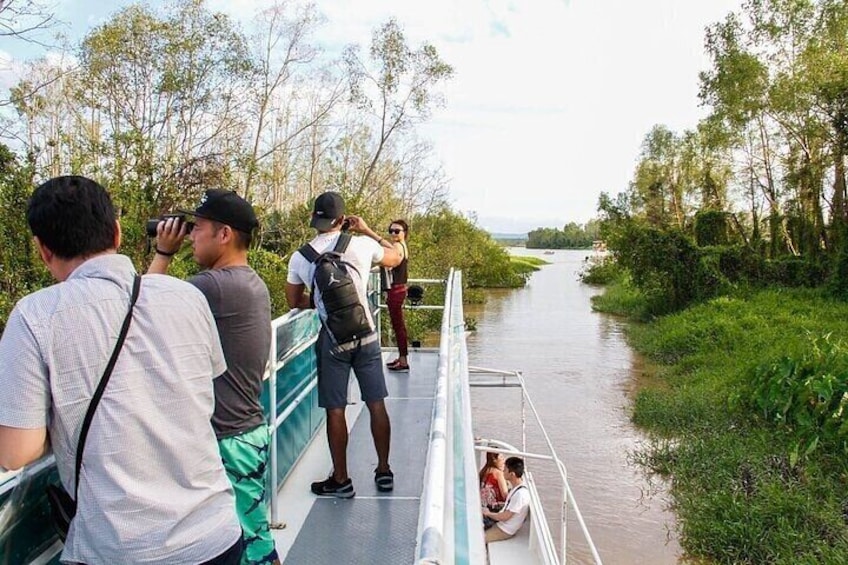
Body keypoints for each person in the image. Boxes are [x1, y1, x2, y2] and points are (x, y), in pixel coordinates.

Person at [0, 176, 243, 564]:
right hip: (215, 536)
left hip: (121, 549)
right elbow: (201, 391)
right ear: (115, 231)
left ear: (43, 250)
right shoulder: (186, 297)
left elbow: (15, 452)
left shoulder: (34, 316)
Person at [149, 189, 279, 565]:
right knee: (252, 540)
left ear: (224, 235)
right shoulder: (245, 281)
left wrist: (163, 252)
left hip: (229, 441)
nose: (190, 236)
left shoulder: (216, 287)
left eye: (197, 228)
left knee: (252, 549)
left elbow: (135, 306)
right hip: (242, 432)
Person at [286, 191, 402, 498]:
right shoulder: (363, 245)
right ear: (342, 219)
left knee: (335, 411)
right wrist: (366, 229)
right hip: (367, 337)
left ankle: (341, 479)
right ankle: (384, 470)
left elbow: (293, 300)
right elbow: (396, 256)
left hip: (333, 341)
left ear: (316, 219)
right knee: (376, 404)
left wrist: (323, 302)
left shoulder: (301, 257)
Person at [482, 457, 531, 543]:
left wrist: (488, 514)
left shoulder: (520, 494)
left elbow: (505, 517)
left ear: (512, 474)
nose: (502, 472)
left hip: (505, 529)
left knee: (478, 539)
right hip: (502, 523)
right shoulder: (516, 488)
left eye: (505, 470)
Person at [384, 219, 411, 372]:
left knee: (398, 326)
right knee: (398, 326)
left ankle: (403, 360)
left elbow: (389, 264)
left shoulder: (397, 247)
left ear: (404, 233)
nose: (393, 233)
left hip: (396, 291)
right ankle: (402, 357)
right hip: (399, 289)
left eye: (397, 231)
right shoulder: (401, 246)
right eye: (391, 231)